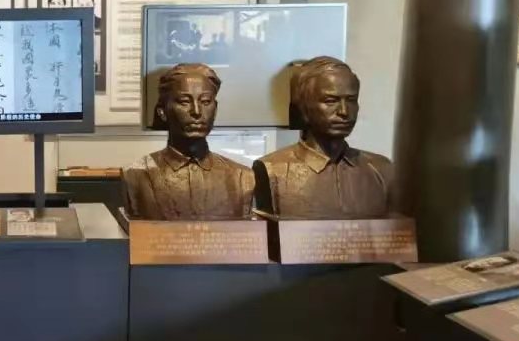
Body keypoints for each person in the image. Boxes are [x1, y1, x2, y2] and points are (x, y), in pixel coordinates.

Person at [253, 56, 393, 219]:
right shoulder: (272, 170)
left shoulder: (381, 169)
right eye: (330, 101)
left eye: (351, 100)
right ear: (304, 107)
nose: (344, 111)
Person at [123, 63, 253, 220]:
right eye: (184, 102)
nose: (196, 112)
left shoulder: (241, 177)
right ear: (162, 111)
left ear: (215, 109)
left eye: (205, 101)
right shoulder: (136, 175)